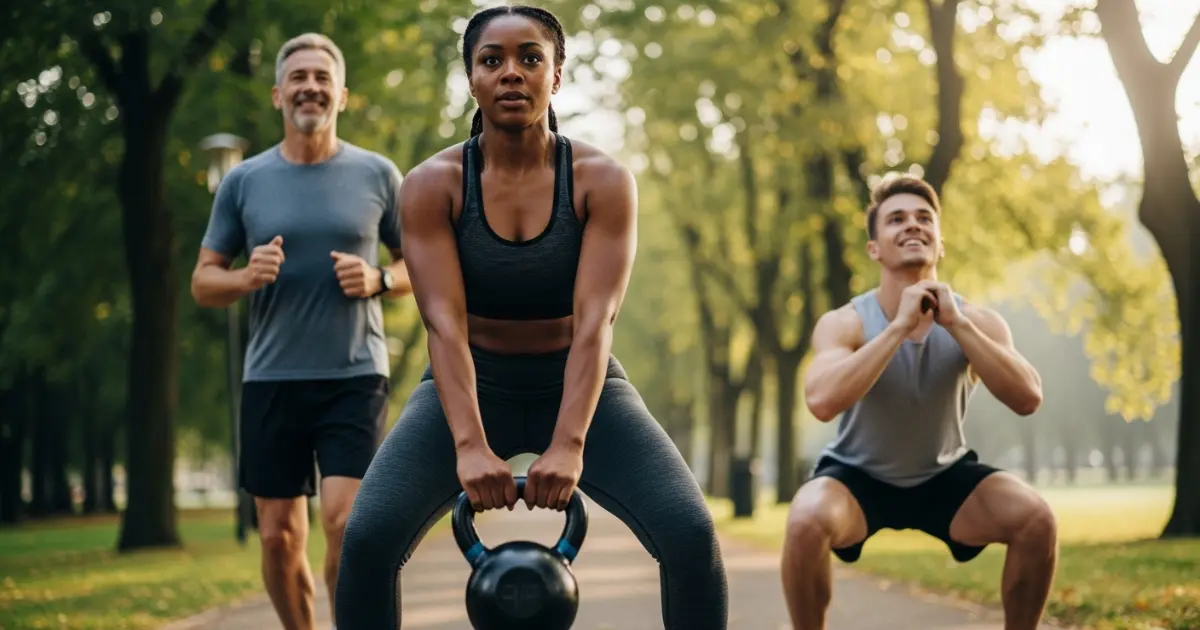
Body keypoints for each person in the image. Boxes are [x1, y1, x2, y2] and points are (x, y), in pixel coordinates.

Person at [334, 5, 728, 629]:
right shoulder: (432, 184)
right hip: (467, 383)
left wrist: (571, 443)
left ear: (558, 75)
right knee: (367, 539)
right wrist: (467, 444)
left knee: (689, 530)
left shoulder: (602, 181)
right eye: (492, 60)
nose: (511, 73)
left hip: (577, 380)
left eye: (530, 58)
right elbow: (443, 324)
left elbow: (596, 322)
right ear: (471, 79)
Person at [190, 32, 411, 630]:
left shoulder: (378, 174)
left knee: (346, 522)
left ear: (341, 94)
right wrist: (244, 278)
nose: (309, 86)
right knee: (278, 536)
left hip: (354, 374)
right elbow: (203, 281)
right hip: (272, 377)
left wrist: (379, 280)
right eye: (298, 76)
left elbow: (420, 265)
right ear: (278, 94)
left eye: (321, 77)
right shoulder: (244, 181)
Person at [780, 174, 1059, 630]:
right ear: (876, 248)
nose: (912, 225)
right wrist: (896, 329)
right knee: (806, 520)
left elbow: (1028, 397)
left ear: (939, 243)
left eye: (923, 218)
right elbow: (821, 401)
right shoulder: (845, 323)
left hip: (944, 475)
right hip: (857, 478)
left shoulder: (979, 321)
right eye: (896, 219)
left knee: (1036, 520)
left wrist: (959, 326)